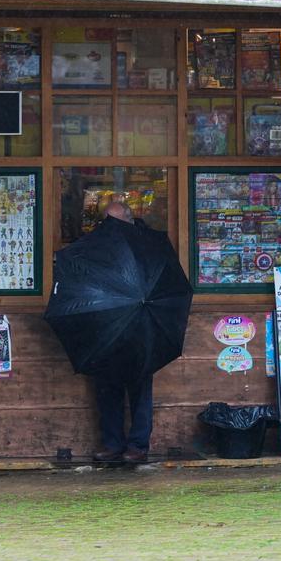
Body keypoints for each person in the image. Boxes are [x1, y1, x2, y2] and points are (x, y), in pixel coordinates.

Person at [91, 199, 154, 464]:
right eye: (107, 221)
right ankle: (112, 443)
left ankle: (138, 445)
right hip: (107, 325)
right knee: (107, 388)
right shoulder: (97, 246)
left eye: (115, 221)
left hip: (139, 325)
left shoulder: (147, 245)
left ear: (129, 219)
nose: (111, 227)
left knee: (140, 390)